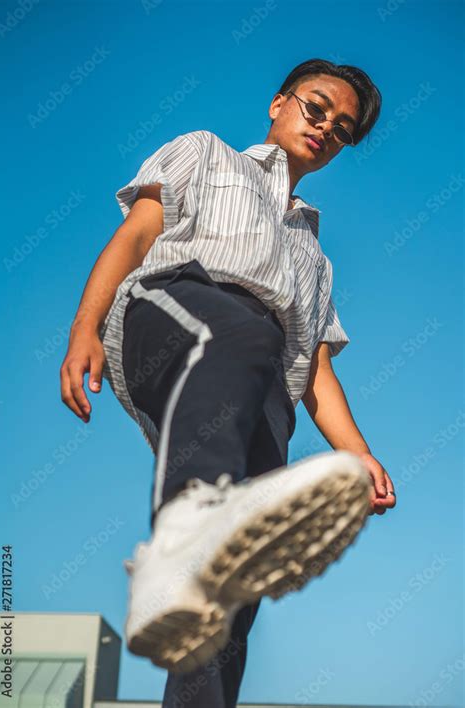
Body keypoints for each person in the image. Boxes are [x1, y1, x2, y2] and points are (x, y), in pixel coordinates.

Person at [60, 58, 397, 707]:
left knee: (229, 601)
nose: (325, 128)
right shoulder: (207, 153)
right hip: (176, 312)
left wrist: (358, 453)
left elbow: (316, 373)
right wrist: (85, 327)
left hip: (259, 388)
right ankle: (182, 527)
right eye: (316, 108)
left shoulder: (315, 258)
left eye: (343, 129)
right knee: (241, 331)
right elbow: (136, 237)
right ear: (279, 103)